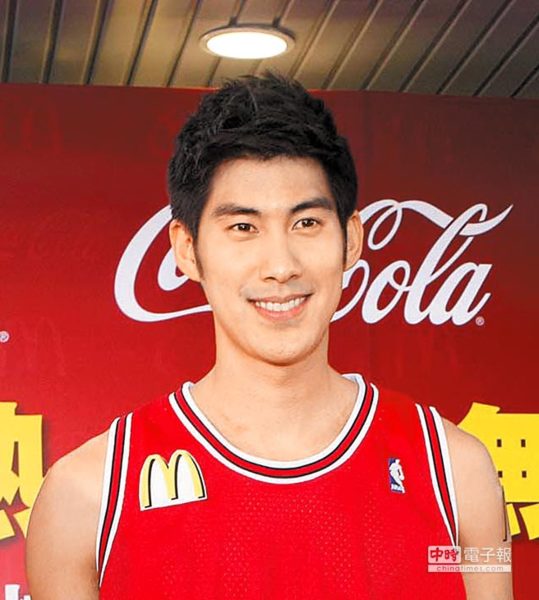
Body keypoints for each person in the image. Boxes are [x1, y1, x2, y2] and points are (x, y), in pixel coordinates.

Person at [26, 73, 513, 599]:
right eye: (243, 227)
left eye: (306, 223)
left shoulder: (456, 474)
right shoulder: (88, 497)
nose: (280, 265)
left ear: (351, 239)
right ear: (187, 249)